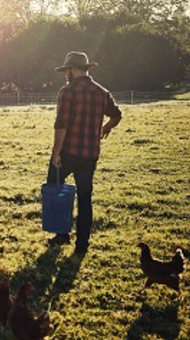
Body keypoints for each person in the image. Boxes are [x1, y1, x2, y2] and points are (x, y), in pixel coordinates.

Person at [48, 51, 122, 254]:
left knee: (56, 188)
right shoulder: (101, 92)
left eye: (67, 70)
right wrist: (105, 129)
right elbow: (117, 115)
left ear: (72, 69)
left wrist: (56, 153)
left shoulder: (68, 91)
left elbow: (61, 125)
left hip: (68, 151)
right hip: (90, 154)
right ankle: (82, 244)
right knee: (85, 197)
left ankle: (62, 234)